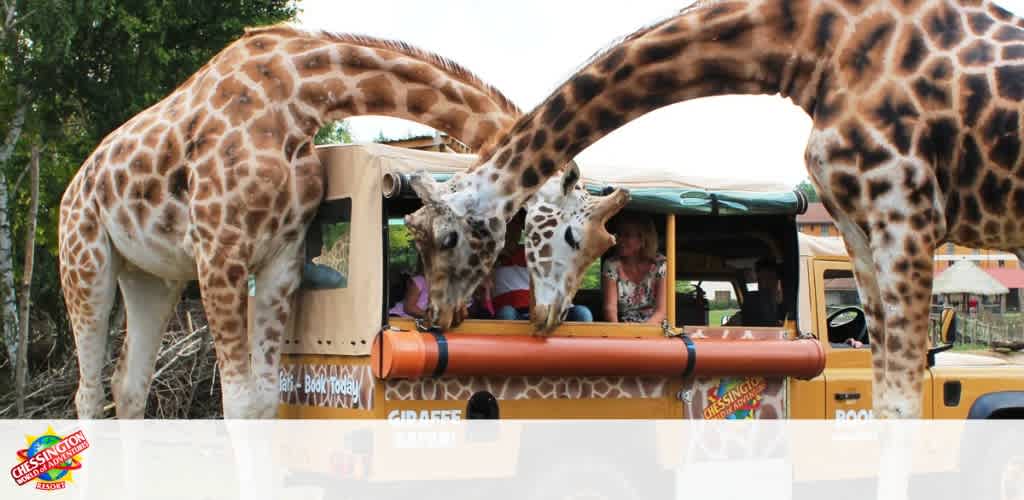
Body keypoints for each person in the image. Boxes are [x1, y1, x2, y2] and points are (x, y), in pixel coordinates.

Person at [491, 211, 592, 321]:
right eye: (507, 227)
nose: (510, 232)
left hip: (552, 311)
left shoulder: (546, 254)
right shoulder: (487, 258)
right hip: (516, 313)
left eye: (516, 227)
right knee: (507, 313)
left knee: (582, 313)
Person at [601, 214, 667, 324]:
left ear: (643, 239)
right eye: (619, 234)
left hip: (655, 328)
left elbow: (661, 311)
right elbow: (610, 308)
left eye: (627, 235)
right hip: (623, 328)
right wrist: (617, 334)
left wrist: (642, 334)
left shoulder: (660, 264)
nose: (619, 240)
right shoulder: (611, 265)